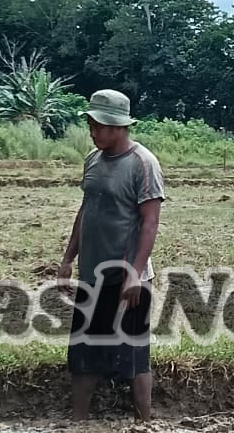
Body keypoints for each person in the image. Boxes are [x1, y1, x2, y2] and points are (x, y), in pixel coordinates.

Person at [57, 89, 164, 421]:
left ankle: (145, 421)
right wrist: (68, 258)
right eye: (90, 125)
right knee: (84, 352)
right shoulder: (93, 159)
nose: (92, 132)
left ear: (119, 127)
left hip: (126, 279)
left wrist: (135, 273)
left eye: (98, 126)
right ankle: (78, 421)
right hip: (92, 274)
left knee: (133, 354)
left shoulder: (143, 164)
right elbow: (86, 210)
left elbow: (150, 222)